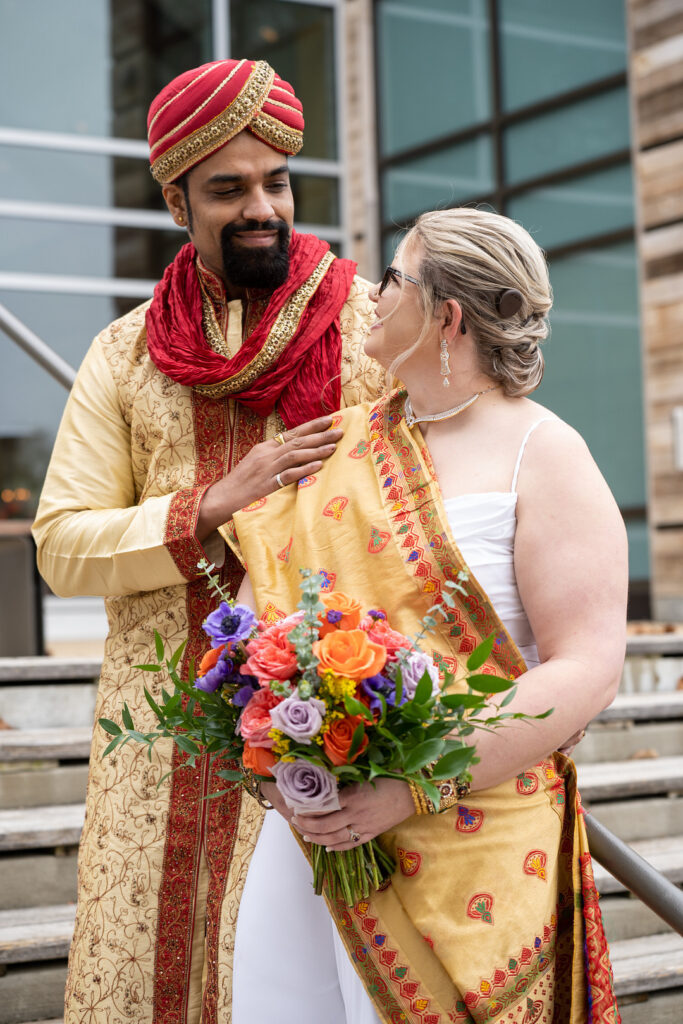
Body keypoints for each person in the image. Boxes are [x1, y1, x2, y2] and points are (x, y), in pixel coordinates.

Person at [31, 58, 382, 1022]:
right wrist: (213, 503)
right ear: (177, 200)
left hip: (345, 707)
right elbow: (60, 545)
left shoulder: (366, 328)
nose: (260, 207)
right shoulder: (124, 352)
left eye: (275, 182)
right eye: (227, 189)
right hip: (162, 723)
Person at [224, 207, 627, 1023]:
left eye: (392, 279)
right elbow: (254, 620)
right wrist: (278, 743)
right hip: (319, 829)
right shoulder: (336, 444)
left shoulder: (543, 452)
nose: (368, 296)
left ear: (447, 315)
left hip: (474, 836)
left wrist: (411, 786)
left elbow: (585, 666)